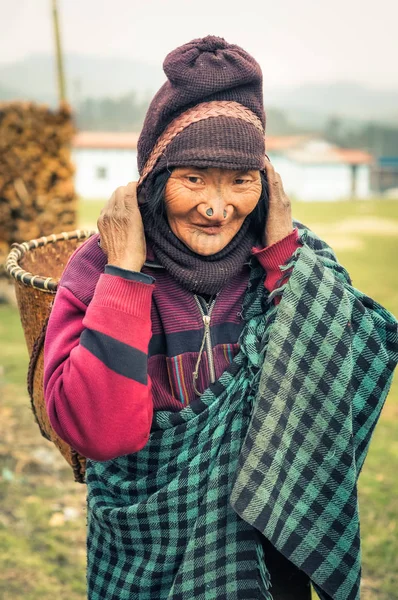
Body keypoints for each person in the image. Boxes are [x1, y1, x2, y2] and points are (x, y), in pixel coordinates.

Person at [43, 36, 398, 600]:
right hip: (146, 559)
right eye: (194, 178)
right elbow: (101, 433)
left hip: (263, 559)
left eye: (240, 179)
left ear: (268, 183)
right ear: (155, 179)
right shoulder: (100, 267)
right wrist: (128, 274)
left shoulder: (287, 259)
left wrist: (283, 252)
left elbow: (342, 387)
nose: (217, 206)